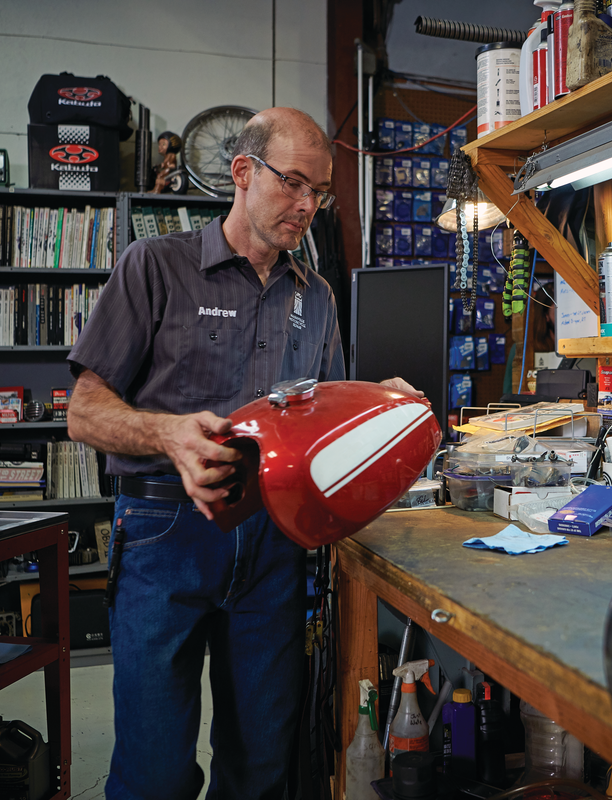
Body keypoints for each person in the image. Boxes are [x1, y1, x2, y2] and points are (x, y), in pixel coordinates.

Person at [67, 107, 421, 800]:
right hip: (166, 536)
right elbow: (84, 412)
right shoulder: (156, 267)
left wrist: (377, 405)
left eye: (319, 192)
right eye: (293, 184)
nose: (307, 206)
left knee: (261, 764)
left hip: (272, 544)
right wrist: (167, 434)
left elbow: (316, 416)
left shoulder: (312, 296)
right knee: (156, 770)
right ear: (242, 172)